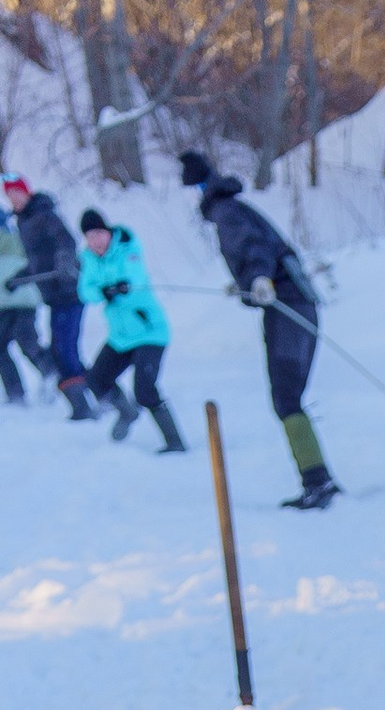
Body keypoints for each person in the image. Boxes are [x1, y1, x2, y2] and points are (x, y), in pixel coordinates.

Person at [176, 147, 338, 507]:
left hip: (289, 306)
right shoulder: (234, 208)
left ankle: (318, 483)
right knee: (287, 396)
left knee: (285, 396)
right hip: (295, 302)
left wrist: (260, 278)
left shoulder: (226, 212)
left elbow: (254, 249)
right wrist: (249, 286)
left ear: (198, 191)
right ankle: (319, 478)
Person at [76, 207, 184, 453]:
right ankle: (127, 412)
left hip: (149, 332)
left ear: (108, 232)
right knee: (95, 379)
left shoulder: (127, 246)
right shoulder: (88, 258)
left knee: (145, 390)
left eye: (99, 234)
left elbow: (136, 277)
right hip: (121, 336)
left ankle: (175, 442)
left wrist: (122, 286)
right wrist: (103, 291)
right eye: (90, 237)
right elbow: (86, 291)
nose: (95, 241)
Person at [1, 177, 98, 416]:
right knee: (61, 351)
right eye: (9, 195)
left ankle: (97, 397)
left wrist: (65, 261)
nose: (14, 198)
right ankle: (90, 399)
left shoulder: (44, 214)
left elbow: (65, 240)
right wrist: (20, 277)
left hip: (69, 291)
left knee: (64, 350)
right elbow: (36, 262)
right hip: (54, 296)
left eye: (17, 193)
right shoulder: (23, 223)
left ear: (27, 193)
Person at [0, 201, 46, 407]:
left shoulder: (14, 238)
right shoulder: (17, 236)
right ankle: (17, 393)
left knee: (26, 341)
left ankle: (52, 374)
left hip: (22, 300)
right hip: (6, 303)